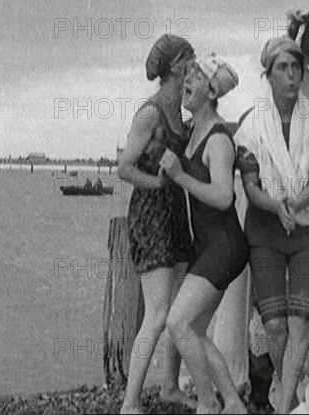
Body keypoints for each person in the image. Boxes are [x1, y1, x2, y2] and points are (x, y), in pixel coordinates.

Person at [234, 36, 309, 413]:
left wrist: (296, 205)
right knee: (274, 327)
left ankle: (285, 406)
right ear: (268, 75)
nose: (292, 76)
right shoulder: (251, 124)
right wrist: (277, 208)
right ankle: (289, 394)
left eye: (296, 68)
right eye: (283, 69)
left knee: (301, 322)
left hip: (307, 229)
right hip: (265, 230)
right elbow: (250, 186)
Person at [159, 54, 248, 414]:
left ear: (211, 91)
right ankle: (233, 404)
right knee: (193, 330)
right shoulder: (193, 130)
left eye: (195, 77)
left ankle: (208, 403)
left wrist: (180, 176)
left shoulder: (218, 140)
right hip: (209, 246)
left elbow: (225, 196)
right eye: (186, 76)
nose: (187, 83)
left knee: (177, 323)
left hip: (225, 246)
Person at [118, 34, 197, 414]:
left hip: (176, 212)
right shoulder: (150, 113)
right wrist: (160, 183)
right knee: (158, 311)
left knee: (179, 306)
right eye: (190, 57)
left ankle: (168, 386)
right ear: (176, 65)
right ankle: (130, 402)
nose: (194, 63)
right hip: (151, 213)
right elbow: (124, 168)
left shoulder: (182, 112)